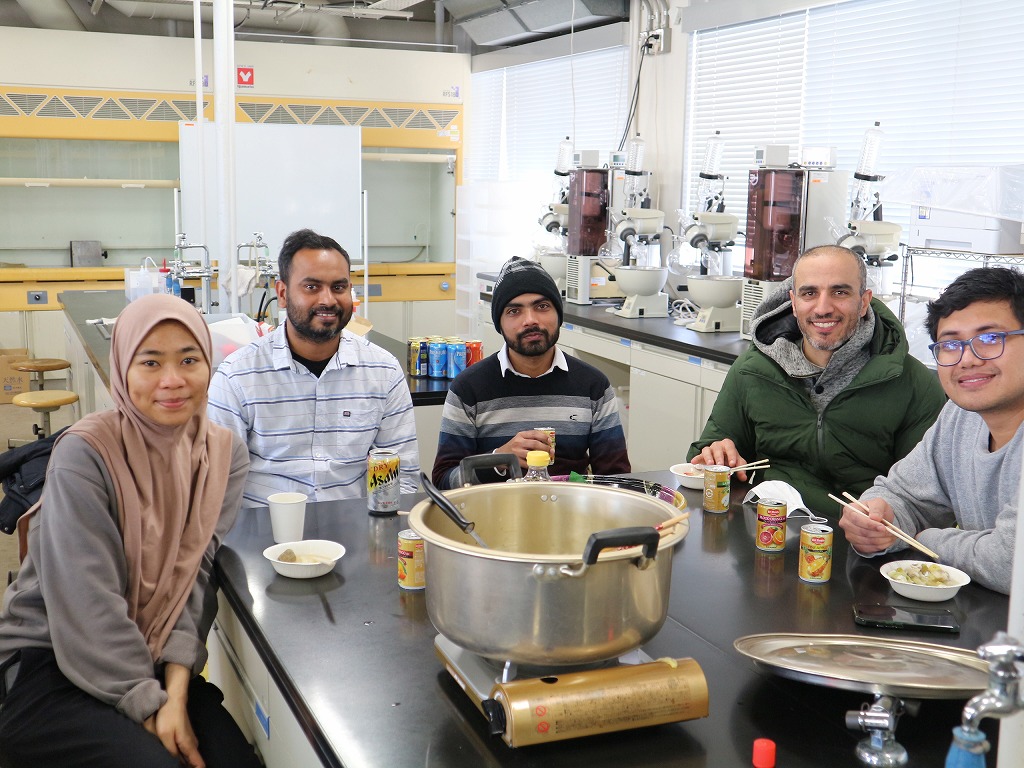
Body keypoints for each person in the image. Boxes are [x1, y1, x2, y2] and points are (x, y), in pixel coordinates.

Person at [0, 294, 258, 768]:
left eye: (189, 360)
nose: (172, 380)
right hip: (51, 656)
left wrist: (176, 692)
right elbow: (85, 600)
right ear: (122, 368)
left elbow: (195, 576)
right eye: (151, 362)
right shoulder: (86, 454)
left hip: (153, 652)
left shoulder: (224, 455)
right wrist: (149, 705)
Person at [687, 245, 946, 516]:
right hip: (768, 527)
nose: (823, 308)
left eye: (840, 292)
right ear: (793, 302)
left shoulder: (913, 383)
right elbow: (704, 458)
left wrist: (889, 516)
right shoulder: (752, 370)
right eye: (809, 293)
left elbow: (926, 498)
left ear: (864, 302)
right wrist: (715, 454)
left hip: (862, 533)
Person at [839, 267, 1023, 594]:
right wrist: (879, 520)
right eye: (950, 344)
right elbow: (906, 495)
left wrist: (926, 540)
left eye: (990, 339)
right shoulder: (960, 416)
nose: (967, 359)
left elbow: (1012, 562)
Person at [208, 228, 420, 507]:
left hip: (354, 525)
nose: (328, 300)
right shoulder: (237, 376)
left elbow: (401, 477)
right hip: (263, 527)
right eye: (312, 287)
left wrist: (380, 524)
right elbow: (217, 486)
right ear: (282, 294)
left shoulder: (383, 372)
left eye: (339, 287)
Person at [433, 256, 630, 488]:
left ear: (558, 314)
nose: (530, 320)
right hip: (492, 508)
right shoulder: (468, 388)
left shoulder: (593, 386)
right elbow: (444, 481)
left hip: (570, 507)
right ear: (499, 323)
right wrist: (499, 460)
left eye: (542, 307)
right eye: (514, 311)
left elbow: (617, 479)